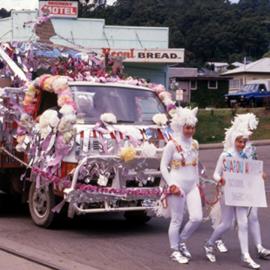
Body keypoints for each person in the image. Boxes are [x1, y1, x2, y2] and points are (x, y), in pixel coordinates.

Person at [204, 118, 262, 269]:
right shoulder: (226, 156)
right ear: (233, 140)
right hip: (227, 193)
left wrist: (259, 175)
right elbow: (215, 174)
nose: (241, 145)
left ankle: (245, 255)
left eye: (243, 142)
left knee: (243, 223)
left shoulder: (246, 157)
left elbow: (250, 174)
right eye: (239, 141)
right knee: (226, 224)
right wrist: (220, 180)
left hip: (241, 194)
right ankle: (209, 243)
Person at [212, 113, 270, 259]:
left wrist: (261, 174)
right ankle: (214, 240)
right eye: (248, 129)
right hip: (235, 189)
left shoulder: (251, 149)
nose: (250, 133)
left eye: (251, 130)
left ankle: (259, 247)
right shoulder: (233, 148)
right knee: (228, 221)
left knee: (254, 216)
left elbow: (254, 167)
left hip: (250, 187)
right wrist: (222, 181)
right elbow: (224, 168)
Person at [160, 107, 203, 264]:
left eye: (192, 127)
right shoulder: (172, 144)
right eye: (187, 127)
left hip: (192, 186)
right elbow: (163, 166)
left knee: (197, 218)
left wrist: (198, 185)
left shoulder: (195, 144)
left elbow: (196, 165)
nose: (190, 130)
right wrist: (171, 185)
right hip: (177, 186)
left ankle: (181, 241)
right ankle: (174, 250)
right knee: (177, 220)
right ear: (180, 126)